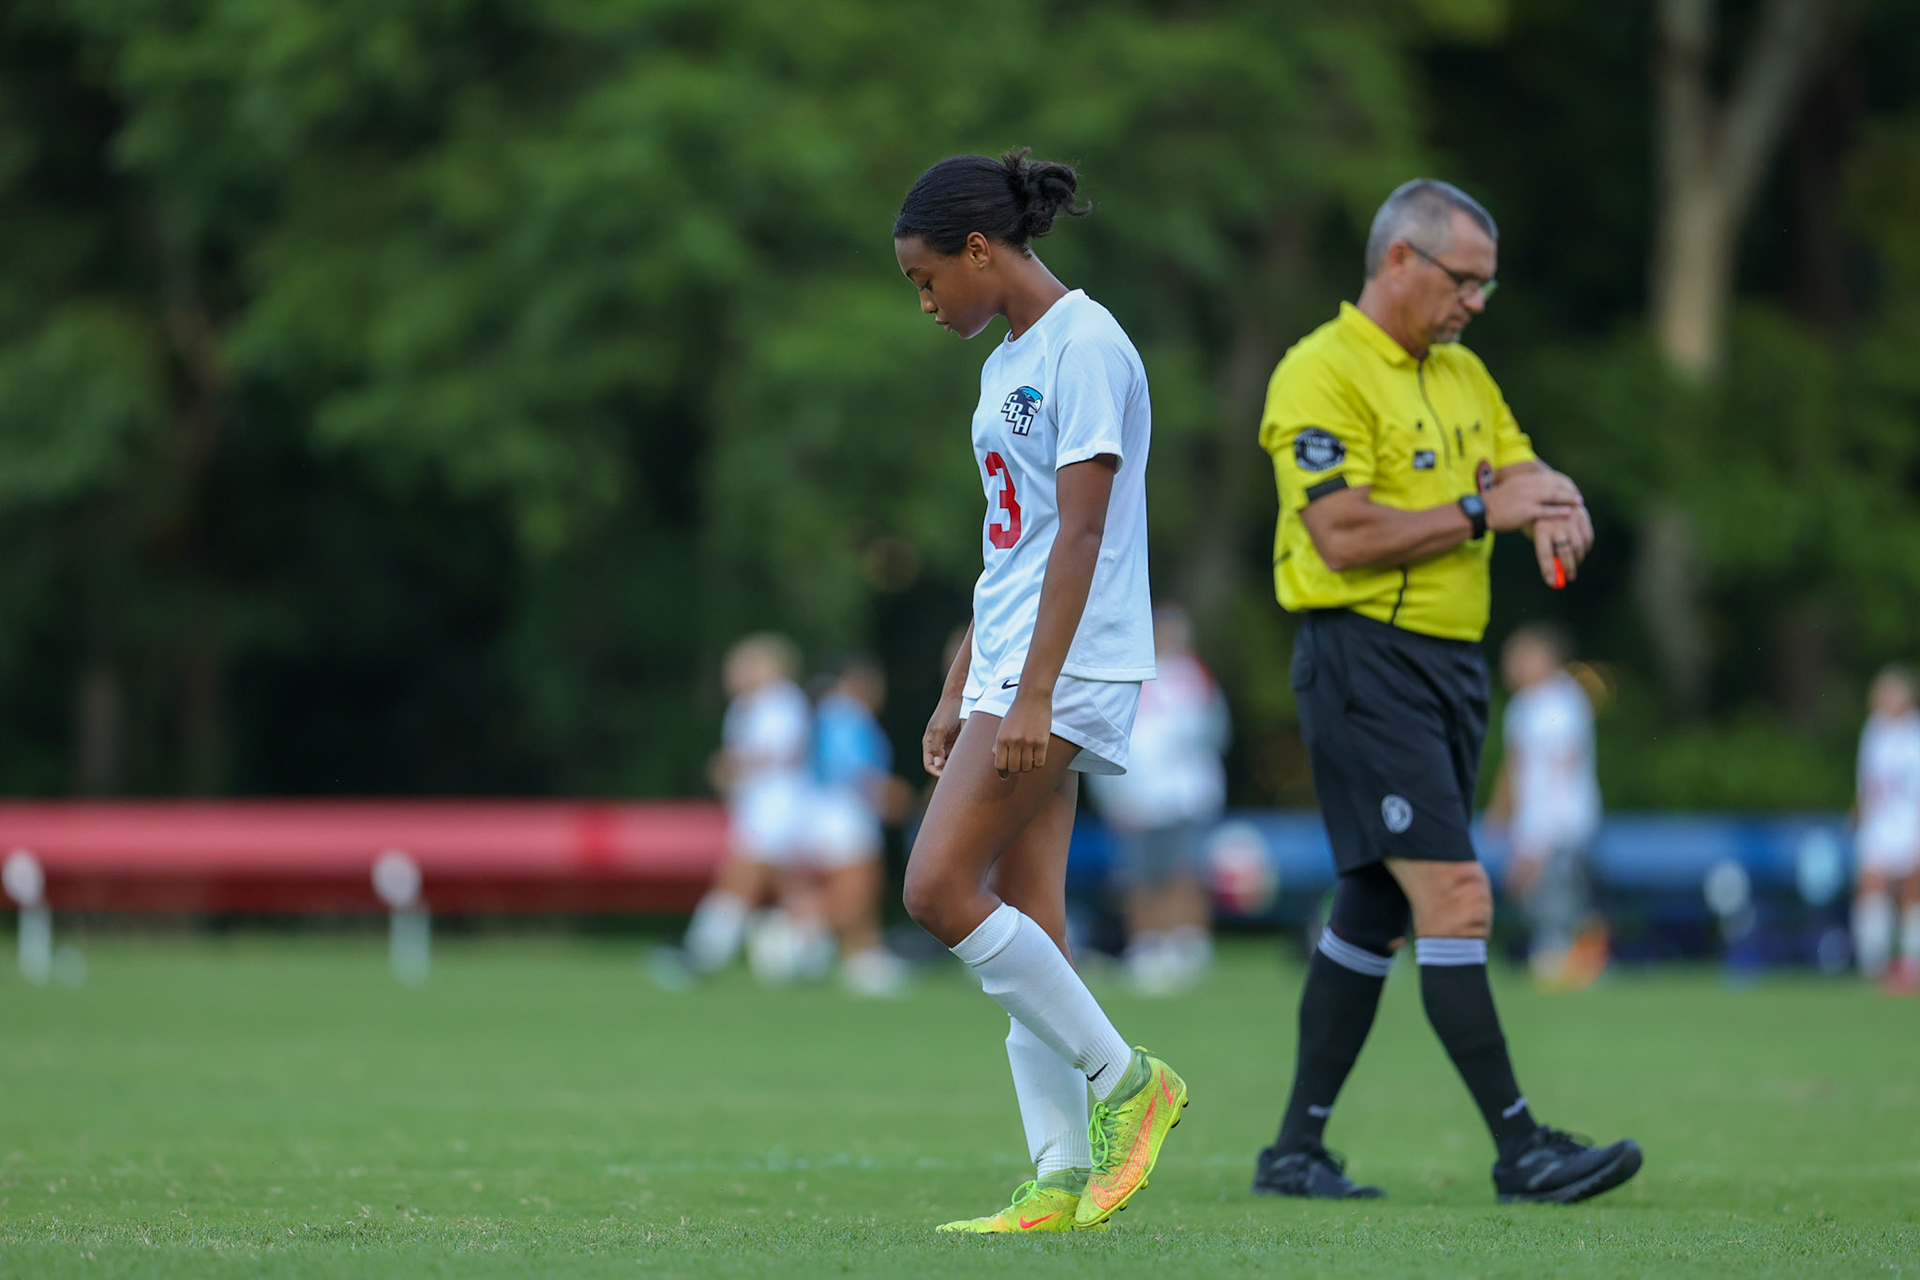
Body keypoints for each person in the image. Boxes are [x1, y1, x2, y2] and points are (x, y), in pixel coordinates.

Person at [1250, 179, 1640, 1204]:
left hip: (1451, 669)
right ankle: (1523, 1148)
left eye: (1486, 287)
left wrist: (1557, 498)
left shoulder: (1465, 373)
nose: (1474, 302)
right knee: (1456, 895)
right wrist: (1483, 507)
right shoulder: (1318, 372)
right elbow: (1339, 533)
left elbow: (1521, 470)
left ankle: (1295, 1151)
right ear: (1398, 263)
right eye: (1463, 280)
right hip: (1363, 657)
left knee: (1376, 905)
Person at [891, 149, 1187, 1234]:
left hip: (1065, 669)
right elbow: (1009, 549)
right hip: (1011, 666)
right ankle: (1060, 1176)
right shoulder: (1002, 362)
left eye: (928, 280)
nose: (926, 303)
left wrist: (1031, 693)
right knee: (1030, 919)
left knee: (933, 888)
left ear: (980, 249)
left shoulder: (1089, 345)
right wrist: (960, 681)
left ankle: (1130, 1083)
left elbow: (1086, 532)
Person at [1089, 604, 1231, 994]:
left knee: (1184, 870)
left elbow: (1215, 730)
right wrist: (1112, 791)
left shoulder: (1194, 675)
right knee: (1139, 875)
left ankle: (1186, 943)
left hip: (1186, 794)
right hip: (1136, 793)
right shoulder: (1127, 673)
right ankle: (1147, 945)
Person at [659, 633, 813, 982]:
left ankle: (702, 952)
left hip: (777, 808)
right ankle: (808, 950)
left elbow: (778, 753)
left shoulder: (781, 701)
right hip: (757, 807)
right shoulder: (745, 708)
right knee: (785, 886)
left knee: (741, 878)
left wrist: (732, 767)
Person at [1490, 624, 1606, 989]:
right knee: (1536, 893)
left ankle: (1564, 961)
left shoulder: (1562, 703)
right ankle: (1558, 958)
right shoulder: (1523, 706)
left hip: (1562, 823)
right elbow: (1516, 766)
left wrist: (1536, 840)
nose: (1511, 665)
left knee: (1556, 894)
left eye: (1520, 656)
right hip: (1534, 824)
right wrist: (1501, 814)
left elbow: (1559, 778)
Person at [805, 655, 912, 997]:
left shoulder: (835, 714)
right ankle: (800, 936)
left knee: (863, 884)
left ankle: (863, 955)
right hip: (843, 810)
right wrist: (886, 793)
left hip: (842, 809)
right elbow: (849, 767)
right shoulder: (845, 715)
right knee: (856, 885)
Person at [1852, 664, 1920, 992]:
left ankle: (1910, 962)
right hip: (1880, 823)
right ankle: (1875, 963)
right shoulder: (1874, 730)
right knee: (1872, 886)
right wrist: (1859, 812)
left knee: (1911, 890)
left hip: (1910, 821)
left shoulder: (1915, 733)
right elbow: (1868, 780)